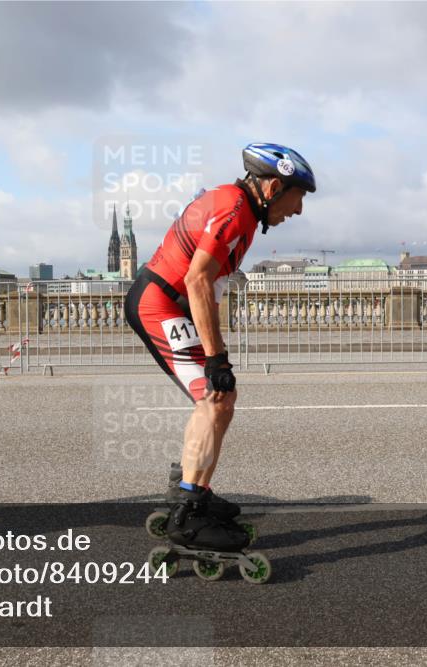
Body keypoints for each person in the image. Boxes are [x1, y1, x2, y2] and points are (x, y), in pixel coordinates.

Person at [125, 142, 316, 550]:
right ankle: (187, 516)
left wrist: (219, 356)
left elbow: (208, 288)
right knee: (215, 399)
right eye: (297, 197)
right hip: (158, 304)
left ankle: (193, 490)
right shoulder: (233, 211)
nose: (298, 210)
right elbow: (196, 280)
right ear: (273, 188)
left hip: (171, 304)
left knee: (220, 396)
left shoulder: (240, 210)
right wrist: (215, 359)